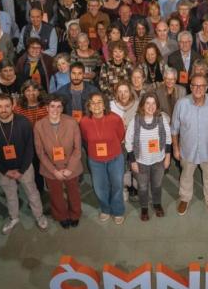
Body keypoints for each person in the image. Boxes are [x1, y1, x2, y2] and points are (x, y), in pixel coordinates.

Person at [0, 94, 47, 234]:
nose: (3, 109)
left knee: (32, 192)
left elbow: (30, 148)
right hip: (3, 170)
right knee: (10, 195)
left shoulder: (23, 122)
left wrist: (21, 170)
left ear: (13, 106)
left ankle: (39, 216)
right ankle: (14, 218)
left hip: (25, 167)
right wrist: (4, 170)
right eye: (0, 106)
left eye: (7, 106)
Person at [171, 75, 208, 216]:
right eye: (195, 85)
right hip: (187, 150)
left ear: (206, 88)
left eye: (201, 86)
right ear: (190, 87)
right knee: (186, 175)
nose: (198, 88)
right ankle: (185, 198)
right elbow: (174, 129)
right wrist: (175, 148)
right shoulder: (181, 104)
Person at [34, 95, 83, 229]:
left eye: (58, 106)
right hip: (50, 167)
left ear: (62, 108)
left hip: (71, 166)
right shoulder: (39, 125)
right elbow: (40, 152)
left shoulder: (72, 122)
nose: (55, 110)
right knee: (56, 194)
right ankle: (61, 216)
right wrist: (54, 171)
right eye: (52, 106)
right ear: (47, 108)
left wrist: (70, 169)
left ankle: (75, 214)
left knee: (74, 192)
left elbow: (77, 148)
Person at [79, 92, 127, 224]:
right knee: (100, 187)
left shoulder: (115, 118)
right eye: (93, 103)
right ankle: (105, 209)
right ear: (88, 106)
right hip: (95, 160)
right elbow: (85, 138)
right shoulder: (84, 122)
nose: (96, 105)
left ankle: (118, 211)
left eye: (99, 102)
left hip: (115, 158)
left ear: (105, 104)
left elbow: (120, 135)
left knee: (117, 185)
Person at [125, 92, 172, 221]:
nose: (151, 107)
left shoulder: (162, 119)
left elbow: (168, 139)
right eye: (147, 103)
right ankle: (144, 207)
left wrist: (167, 157)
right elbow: (128, 142)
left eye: (153, 103)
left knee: (157, 185)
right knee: (143, 187)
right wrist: (133, 161)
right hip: (140, 161)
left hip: (158, 160)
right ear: (142, 105)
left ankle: (157, 204)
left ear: (157, 105)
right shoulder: (135, 121)